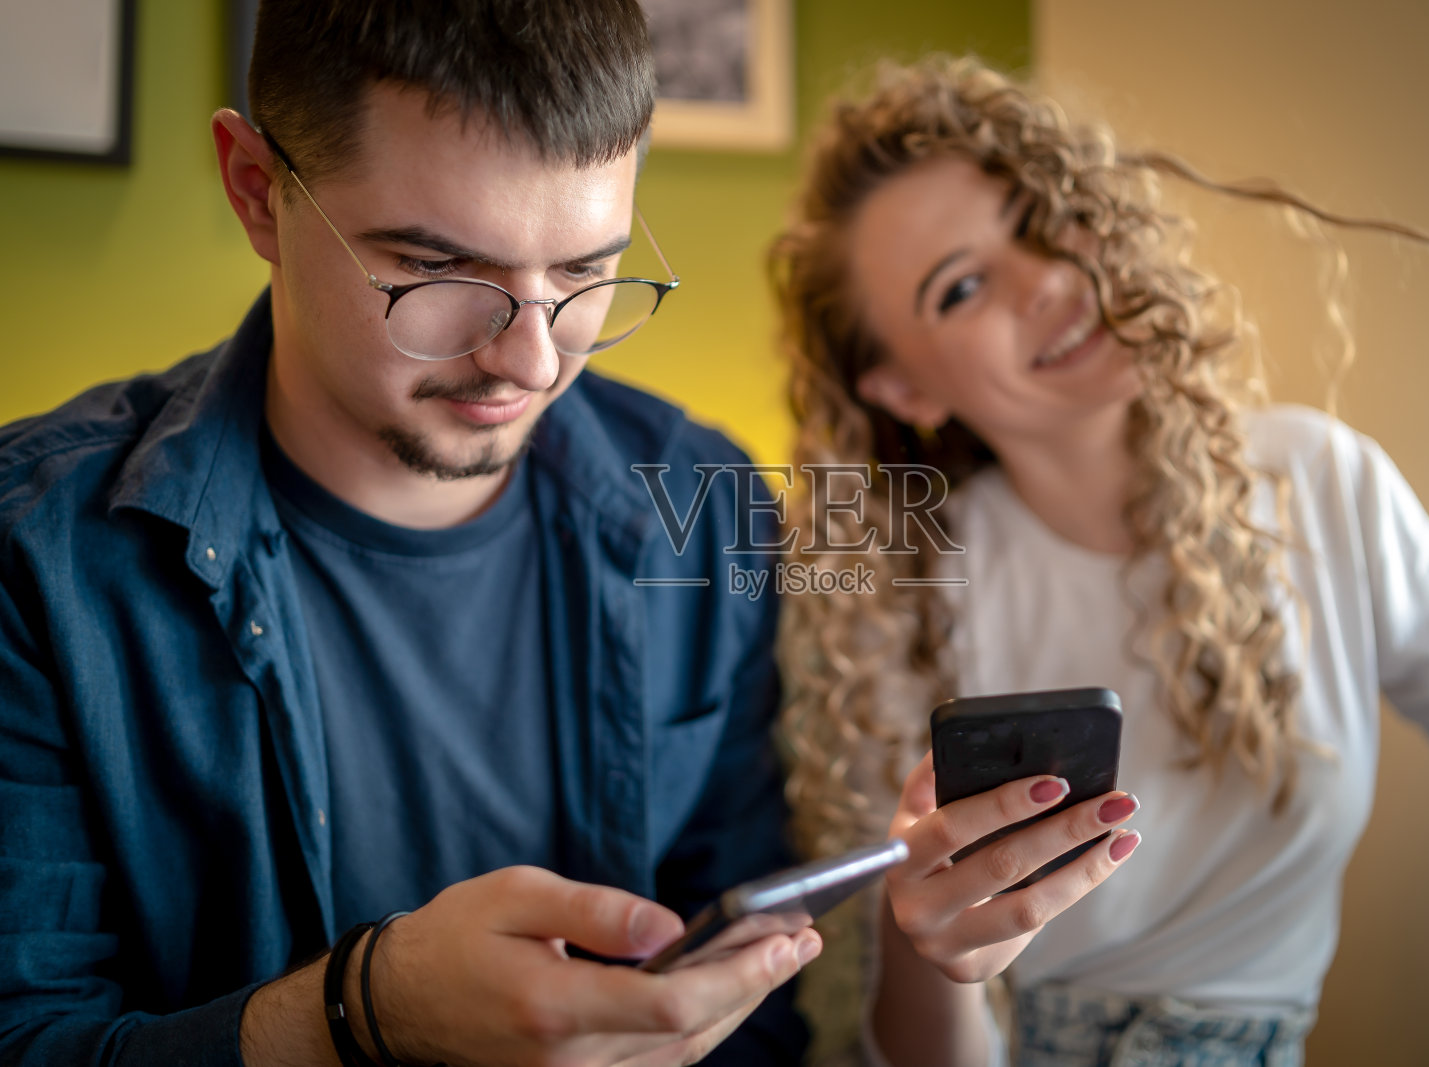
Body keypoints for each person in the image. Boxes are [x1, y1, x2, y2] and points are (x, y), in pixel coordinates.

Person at [0, 2, 818, 1064]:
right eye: (440, 270)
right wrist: (361, 1013)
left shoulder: (705, 502)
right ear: (256, 188)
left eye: (582, 273)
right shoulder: (36, 556)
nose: (531, 363)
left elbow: (758, 1004)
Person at [769, 56, 1429, 1066]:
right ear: (904, 389)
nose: (1047, 282)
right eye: (963, 286)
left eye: (1038, 221)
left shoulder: (1321, 485)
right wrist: (931, 944)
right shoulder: (900, 591)